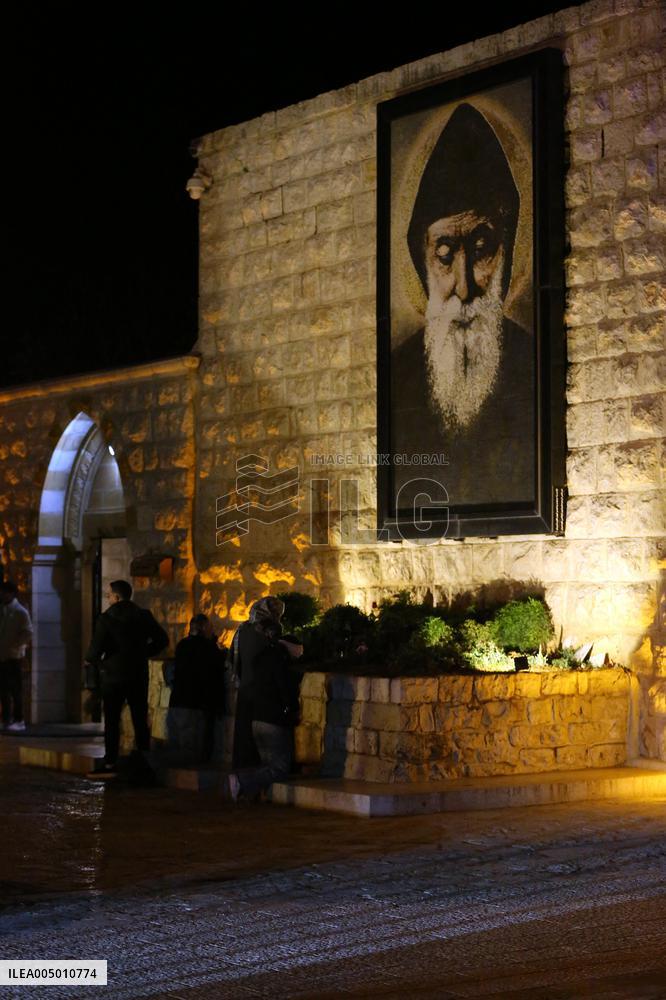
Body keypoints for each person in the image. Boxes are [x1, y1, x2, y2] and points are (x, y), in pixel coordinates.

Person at [392, 102, 535, 509]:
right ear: (421, 260)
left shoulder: (533, 365)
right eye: (444, 253)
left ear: (508, 253)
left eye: (481, 249)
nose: (464, 284)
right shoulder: (398, 377)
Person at [84, 579, 168, 778]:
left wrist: (103, 663)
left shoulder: (106, 619)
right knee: (139, 718)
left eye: (109, 595)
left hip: (113, 677)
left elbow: (93, 653)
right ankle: (143, 761)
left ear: (116, 596)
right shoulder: (143, 616)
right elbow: (162, 640)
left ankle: (110, 762)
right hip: (138, 674)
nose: (107, 598)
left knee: (112, 721)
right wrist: (143, 653)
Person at [227, 621, 303, 802]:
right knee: (280, 768)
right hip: (273, 720)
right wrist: (292, 710)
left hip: (257, 718)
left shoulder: (261, 657)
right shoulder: (280, 659)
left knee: (267, 764)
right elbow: (284, 688)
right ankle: (241, 781)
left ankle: (253, 792)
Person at [228, 596, 286, 769]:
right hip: (261, 692)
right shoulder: (267, 630)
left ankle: (241, 775)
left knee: (243, 735)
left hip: (245, 688)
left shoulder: (242, 629)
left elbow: (233, 658)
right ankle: (252, 780)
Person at [170, 614, 226, 761]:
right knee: (197, 752)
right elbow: (216, 671)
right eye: (210, 628)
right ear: (204, 628)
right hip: (198, 704)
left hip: (179, 701)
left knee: (181, 750)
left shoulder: (182, 645)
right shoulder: (208, 648)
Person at [0, 581, 33, 732]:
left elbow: (28, 632)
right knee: (3, 690)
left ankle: (19, 719)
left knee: (15, 690)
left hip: (13, 657)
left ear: (12, 594)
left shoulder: (20, 611)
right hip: (3, 655)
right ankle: (6, 719)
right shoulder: (4, 610)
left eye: (5, 592)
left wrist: (16, 646)